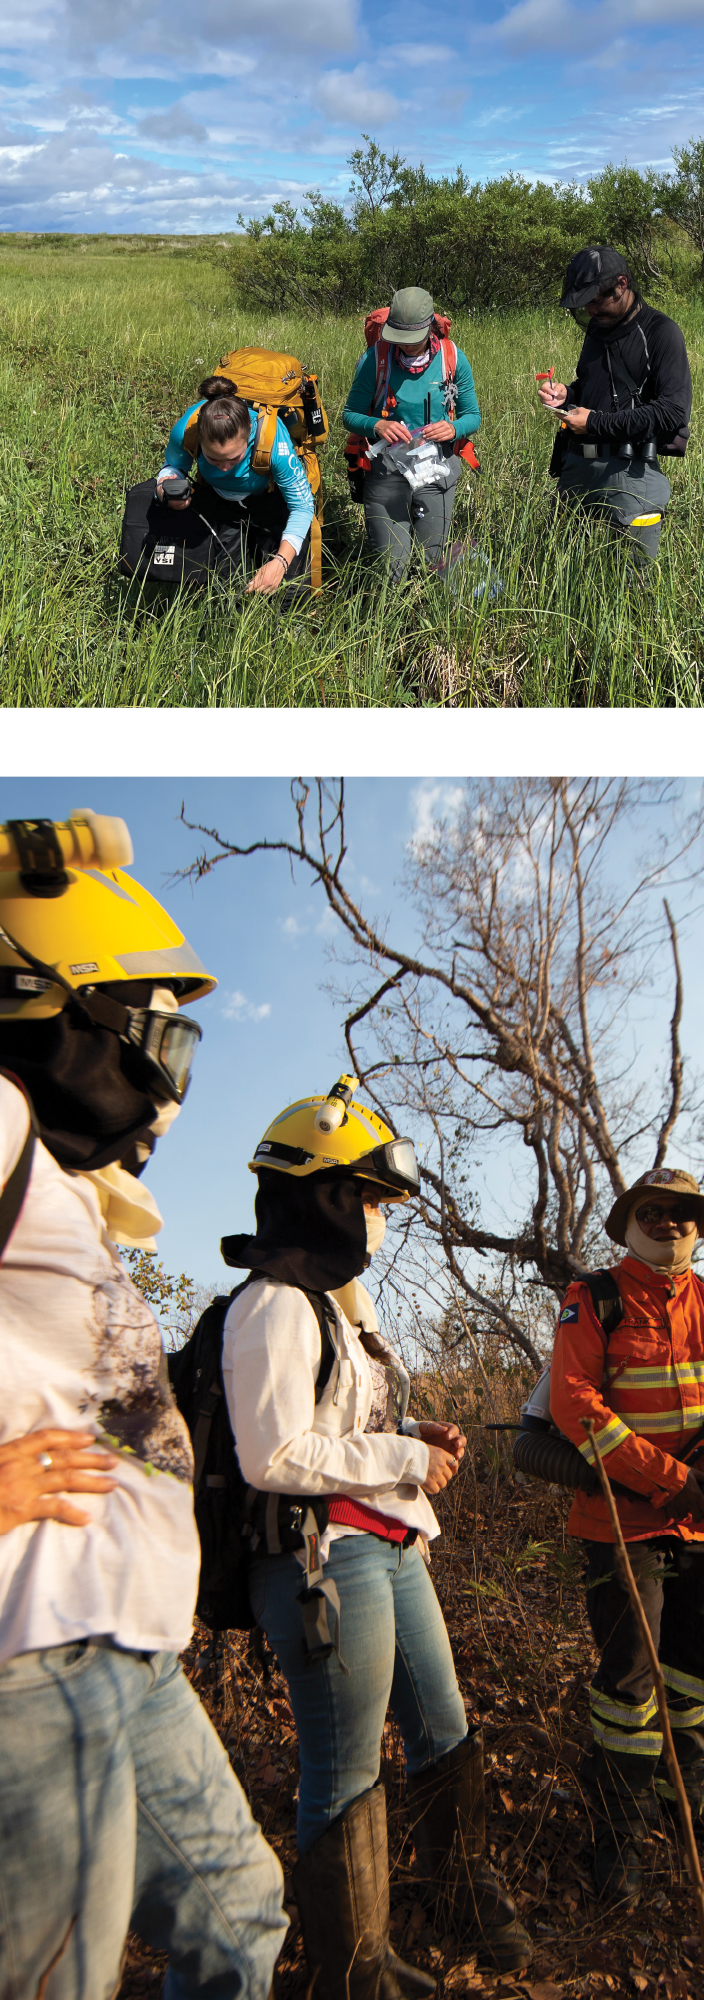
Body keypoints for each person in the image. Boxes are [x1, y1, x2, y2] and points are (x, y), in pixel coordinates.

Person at [0, 814, 288, 2000]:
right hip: (34, 1652)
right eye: (158, 1036)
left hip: (133, 1648)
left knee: (240, 1921)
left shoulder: (60, 1181)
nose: (171, 1079)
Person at [218, 1076, 530, 1990]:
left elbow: (340, 1431)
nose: (379, 1221)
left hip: (389, 1547)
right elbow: (273, 1455)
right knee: (345, 1768)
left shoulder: (341, 1314)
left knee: (444, 1726)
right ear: (322, 1194)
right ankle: (357, 1969)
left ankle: (460, 1893)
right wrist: (397, 1455)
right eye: (368, 1198)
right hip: (321, 1560)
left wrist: (413, 1441)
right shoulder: (272, 1305)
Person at [545, 1167, 704, 1902]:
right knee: (629, 1680)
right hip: (623, 1520)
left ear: (699, 1226)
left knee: (699, 1665)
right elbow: (575, 1403)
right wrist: (664, 1476)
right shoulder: (593, 1298)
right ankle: (617, 1831)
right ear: (629, 1222)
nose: (670, 1224)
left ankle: (680, 1797)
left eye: (683, 1214)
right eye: (653, 1212)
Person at [539, 247, 692, 563]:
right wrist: (567, 395)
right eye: (584, 305)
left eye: (596, 301)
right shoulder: (597, 329)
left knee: (633, 583)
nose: (591, 311)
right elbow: (596, 388)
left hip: (632, 473)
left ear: (622, 284)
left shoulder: (662, 332)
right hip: (578, 467)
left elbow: (673, 411)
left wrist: (594, 423)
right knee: (565, 569)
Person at [341, 289, 482, 581]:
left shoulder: (453, 357)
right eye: (397, 338)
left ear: (430, 326)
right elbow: (349, 415)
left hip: (436, 471)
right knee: (392, 568)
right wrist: (376, 426)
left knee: (434, 560)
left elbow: (473, 416)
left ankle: (432, 616)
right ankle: (389, 618)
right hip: (386, 475)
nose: (404, 347)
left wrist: (454, 428)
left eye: (411, 340)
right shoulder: (375, 359)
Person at [156, 374, 317, 594]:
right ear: (201, 440)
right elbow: (172, 467)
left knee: (289, 583)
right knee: (224, 583)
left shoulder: (274, 441)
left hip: (271, 499)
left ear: (250, 434)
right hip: (219, 501)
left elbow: (302, 506)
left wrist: (281, 561)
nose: (224, 468)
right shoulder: (187, 430)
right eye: (213, 459)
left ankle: (290, 625)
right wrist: (164, 488)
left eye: (234, 458)